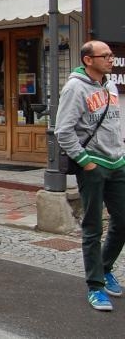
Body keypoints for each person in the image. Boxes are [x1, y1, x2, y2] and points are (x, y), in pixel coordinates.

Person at [55, 40, 125, 312]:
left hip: (117, 161)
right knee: (93, 226)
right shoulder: (74, 87)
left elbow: (114, 121)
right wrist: (86, 162)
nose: (111, 59)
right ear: (88, 60)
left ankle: (105, 268)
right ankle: (95, 286)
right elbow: (63, 130)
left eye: (111, 55)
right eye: (104, 55)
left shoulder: (109, 84)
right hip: (93, 164)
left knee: (122, 220)